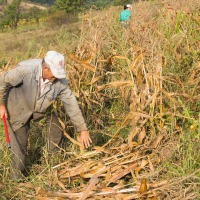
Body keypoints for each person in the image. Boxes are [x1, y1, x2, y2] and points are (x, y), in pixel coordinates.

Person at [0, 50, 92, 180]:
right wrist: (2, 104)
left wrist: (82, 129)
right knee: (19, 149)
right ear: (45, 68)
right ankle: (15, 180)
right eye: (55, 73)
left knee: (55, 128)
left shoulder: (60, 82)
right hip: (17, 109)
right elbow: (2, 82)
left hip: (39, 109)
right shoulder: (25, 71)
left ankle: (53, 166)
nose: (57, 77)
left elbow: (71, 103)